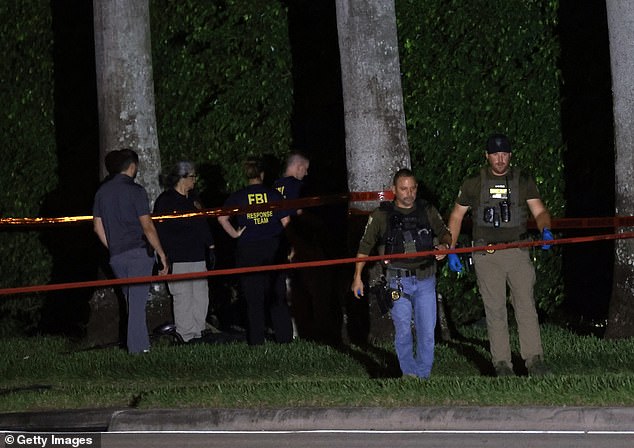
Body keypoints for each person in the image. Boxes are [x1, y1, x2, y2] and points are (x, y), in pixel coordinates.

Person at [447, 134, 554, 377]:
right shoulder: (474, 182)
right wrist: (452, 249)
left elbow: (540, 211)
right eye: (495, 154)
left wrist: (546, 229)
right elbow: (456, 217)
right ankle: (502, 364)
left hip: (517, 251)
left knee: (526, 306)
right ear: (487, 156)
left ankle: (534, 360)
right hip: (487, 254)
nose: (500, 159)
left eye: (504, 154)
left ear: (510, 155)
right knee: (494, 309)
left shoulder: (522, 180)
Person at [351, 168, 452, 379]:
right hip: (397, 280)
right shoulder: (381, 215)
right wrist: (357, 277)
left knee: (426, 332)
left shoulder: (427, 210)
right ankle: (409, 374)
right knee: (403, 330)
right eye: (403, 189)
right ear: (394, 190)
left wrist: (444, 246)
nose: (409, 193)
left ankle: (423, 376)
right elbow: (365, 245)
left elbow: (445, 233)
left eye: (412, 188)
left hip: (426, 278)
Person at [93, 148, 169, 354]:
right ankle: (138, 350)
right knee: (136, 303)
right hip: (138, 252)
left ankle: (139, 344)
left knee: (132, 302)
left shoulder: (102, 192)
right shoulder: (136, 191)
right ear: (132, 166)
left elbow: (97, 227)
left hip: (117, 255)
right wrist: (161, 253)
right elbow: (147, 226)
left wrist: (113, 246)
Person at [218, 158, 293, 346]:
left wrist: (235, 234)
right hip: (273, 249)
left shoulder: (238, 196)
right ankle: (284, 339)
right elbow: (287, 223)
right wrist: (291, 246)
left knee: (253, 298)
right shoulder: (274, 195)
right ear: (262, 174)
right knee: (277, 294)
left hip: (248, 250)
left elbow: (221, 218)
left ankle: (256, 341)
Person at [153, 161, 215, 343]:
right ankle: (186, 336)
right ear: (181, 178)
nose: (195, 180)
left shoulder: (193, 200)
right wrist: (163, 257)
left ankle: (199, 332)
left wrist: (211, 247)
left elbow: (203, 223)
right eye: (192, 176)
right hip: (178, 258)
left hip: (197, 256)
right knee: (182, 297)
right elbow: (159, 230)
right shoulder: (165, 201)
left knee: (201, 296)